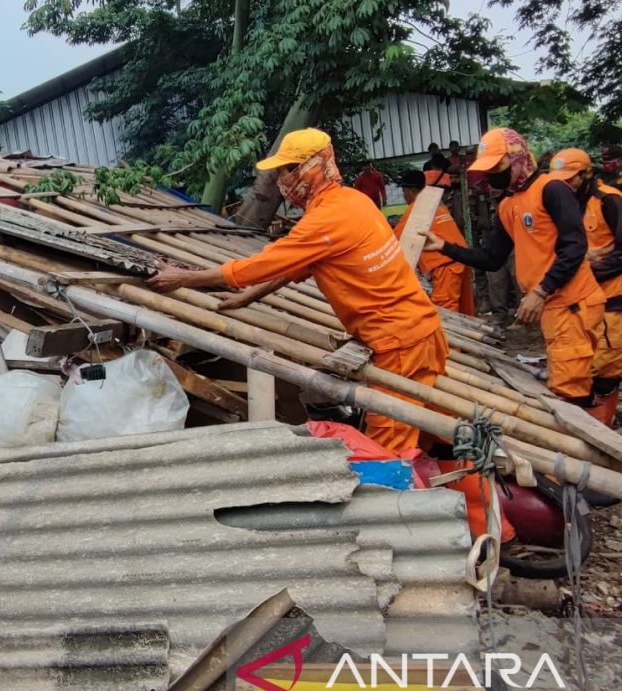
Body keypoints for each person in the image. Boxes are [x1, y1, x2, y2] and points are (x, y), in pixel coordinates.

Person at [149, 128, 447, 455]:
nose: (282, 180)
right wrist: (247, 298)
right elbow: (298, 266)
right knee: (431, 436)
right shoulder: (353, 201)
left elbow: (260, 266)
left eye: (287, 170)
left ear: (312, 167)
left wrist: (182, 279)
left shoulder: (326, 219)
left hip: (400, 345)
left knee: (391, 452)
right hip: (423, 331)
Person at [425, 129, 605, 405]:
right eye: (490, 169)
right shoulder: (509, 204)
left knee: (571, 390)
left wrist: (541, 291)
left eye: (499, 166)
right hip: (553, 306)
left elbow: (574, 247)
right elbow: (492, 258)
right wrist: (445, 247)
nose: (494, 174)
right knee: (574, 379)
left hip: (572, 302)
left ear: (518, 157)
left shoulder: (551, 190)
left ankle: (591, 441)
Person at [549, 148, 622, 424]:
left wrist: (590, 269)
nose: (566, 185)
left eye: (571, 179)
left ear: (587, 173)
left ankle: (602, 429)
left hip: (613, 297)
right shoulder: (570, 204)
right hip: (584, 299)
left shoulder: (610, 201)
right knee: (585, 363)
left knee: (606, 367)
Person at [393, 170, 475, 315]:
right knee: (463, 308)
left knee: (446, 308)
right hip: (461, 257)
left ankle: (448, 337)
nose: (404, 195)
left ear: (411, 191)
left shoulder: (416, 209)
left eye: (404, 191)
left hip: (445, 264)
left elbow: (394, 239)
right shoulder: (436, 205)